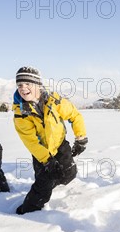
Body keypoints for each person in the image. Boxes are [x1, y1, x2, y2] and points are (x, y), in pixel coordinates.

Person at [12, 66, 88, 215]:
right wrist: (47, 161)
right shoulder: (20, 112)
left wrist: (81, 138)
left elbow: (75, 115)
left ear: (38, 85)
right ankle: (26, 211)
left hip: (60, 144)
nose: (23, 88)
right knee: (43, 184)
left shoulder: (54, 100)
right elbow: (31, 141)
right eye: (20, 85)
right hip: (41, 152)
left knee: (70, 173)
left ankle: (56, 180)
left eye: (28, 84)